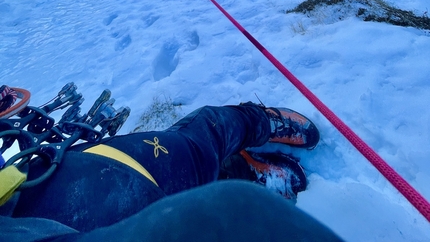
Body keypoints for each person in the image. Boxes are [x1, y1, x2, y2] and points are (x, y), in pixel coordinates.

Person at [1, 102, 344, 242]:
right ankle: (240, 170)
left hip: (40, 190)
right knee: (209, 193)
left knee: (198, 144)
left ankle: (258, 122)